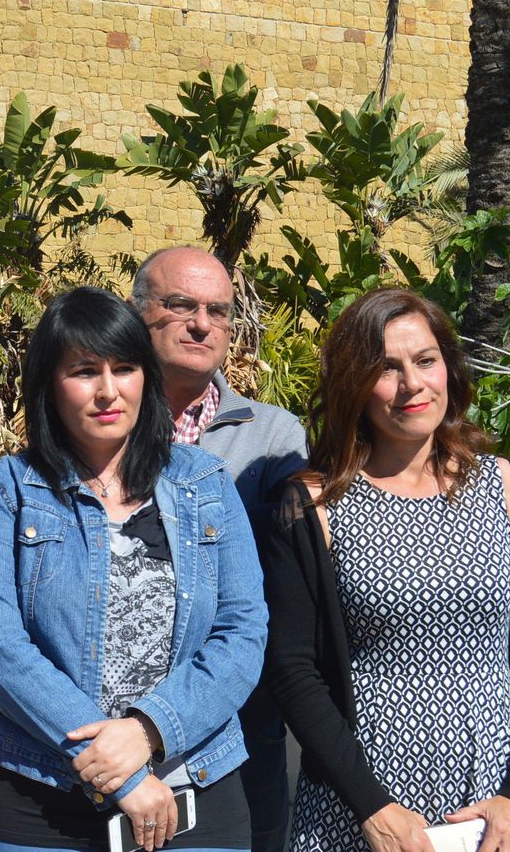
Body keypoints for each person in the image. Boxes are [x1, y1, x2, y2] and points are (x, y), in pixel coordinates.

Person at [0, 286, 268, 852]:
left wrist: (149, 731)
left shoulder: (204, 484)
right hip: (32, 798)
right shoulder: (5, 491)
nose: (108, 391)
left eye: (124, 368)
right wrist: (117, 772)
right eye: (83, 370)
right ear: (49, 383)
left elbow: (242, 632)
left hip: (192, 787)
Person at [266, 288, 510, 852]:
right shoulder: (310, 506)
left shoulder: (508, 488)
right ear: (353, 385)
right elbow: (292, 670)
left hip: (499, 812)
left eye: (425, 361)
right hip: (361, 814)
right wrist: (372, 806)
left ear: (448, 369)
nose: (413, 385)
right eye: (386, 369)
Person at [130, 246, 306, 852]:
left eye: (218, 310)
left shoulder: (275, 437)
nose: (201, 324)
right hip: (114, 722)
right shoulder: (100, 422)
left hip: (239, 718)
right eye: (179, 305)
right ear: (138, 313)